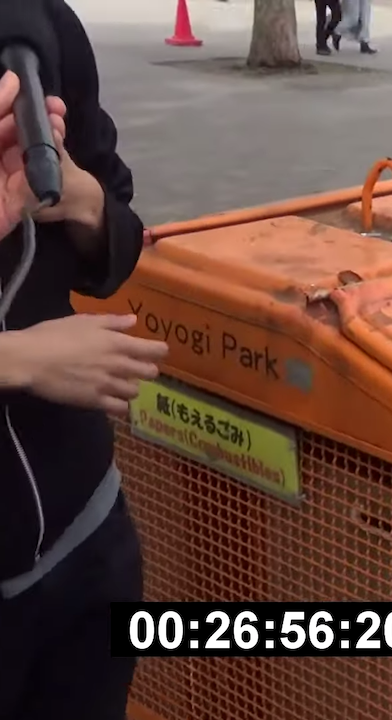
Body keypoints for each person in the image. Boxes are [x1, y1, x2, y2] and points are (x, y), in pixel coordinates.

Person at [0, 1, 170, 719]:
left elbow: (119, 233)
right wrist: (18, 360)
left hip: (85, 532)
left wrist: (85, 200)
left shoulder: (41, 25)